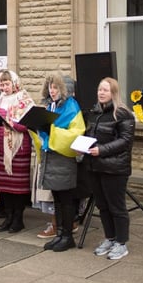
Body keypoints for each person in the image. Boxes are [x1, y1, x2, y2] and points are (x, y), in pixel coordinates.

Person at [82, 77, 135, 260]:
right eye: (99, 89)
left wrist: (102, 150)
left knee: (116, 207)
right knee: (102, 206)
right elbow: (89, 134)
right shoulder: (94, 113)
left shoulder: (122, 114)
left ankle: (121, 243)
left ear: (113, 92)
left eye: (105, 90)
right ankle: (109, 238)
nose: (101, 93)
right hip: (95, 166)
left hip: (115, 168)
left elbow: (125, 141)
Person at [35, 73, 86, 251]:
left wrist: (51, 130)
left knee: (66, 199)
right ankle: (60, 233)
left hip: (64, 158)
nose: (52, 90)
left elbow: (77, 133)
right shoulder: (51, 106)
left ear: (65, 90)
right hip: (51, 158)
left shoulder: (72, 106)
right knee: (56, 198)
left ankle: (67, 236)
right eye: (50, 87)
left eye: (56, 87)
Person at [0, 70, 33, 233]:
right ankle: (8, 216)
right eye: (1, 84)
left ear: (14, 83)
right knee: (4, 184)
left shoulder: (24, 99)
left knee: (18, 185)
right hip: (1, 146)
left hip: (18, 147)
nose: (4, 88)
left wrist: (8, 120)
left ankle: (18, 218)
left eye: (7, 84)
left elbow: (26, 124)